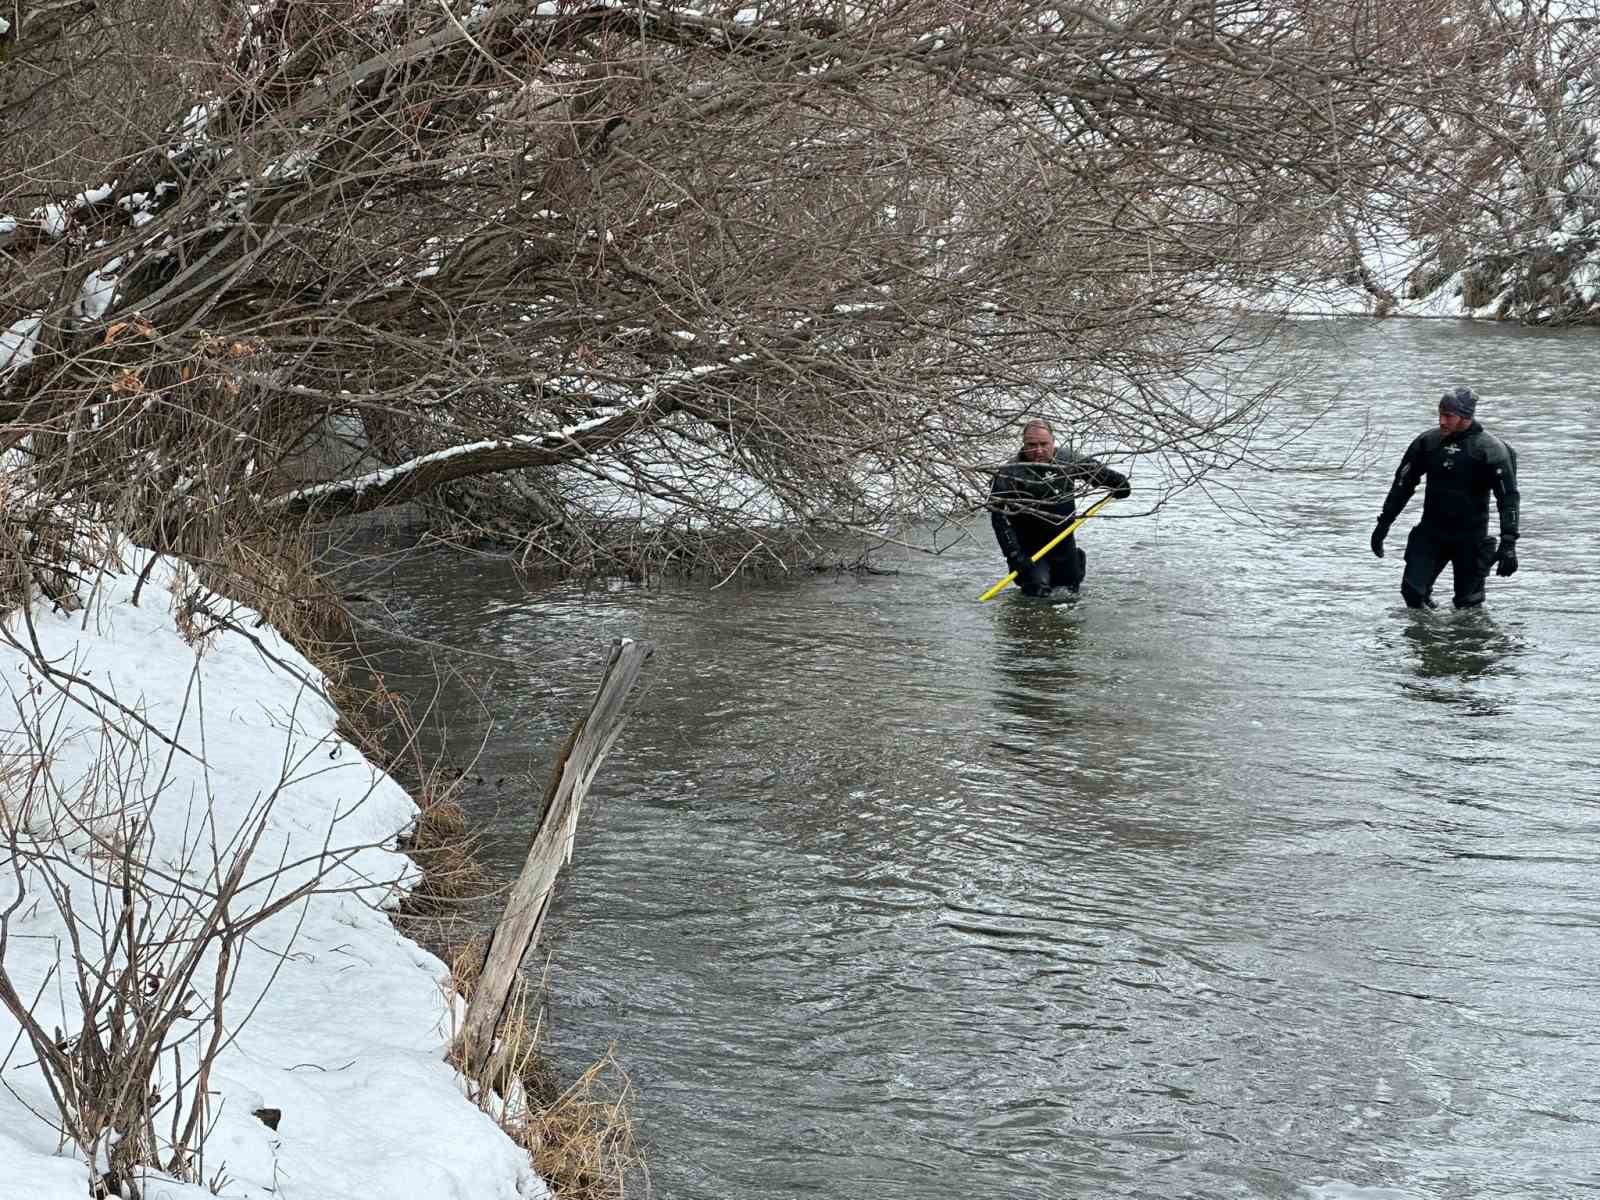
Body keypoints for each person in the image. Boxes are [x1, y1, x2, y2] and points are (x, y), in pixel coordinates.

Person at [1370, 385, 1520, 609]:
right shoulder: (1428, 443)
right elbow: (1402, 486)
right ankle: (1427, 636)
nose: (1441, 421)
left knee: (1468, 605)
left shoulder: (1492, 450)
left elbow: (1508, 499)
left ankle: (1461, 641)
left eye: (1448, 416)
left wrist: (1509, 544)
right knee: (1412, 594)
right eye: (1440, 414)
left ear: (1465, 416)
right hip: (1431, 533)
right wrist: (1383, 524)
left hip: (1471, 538)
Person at [989, 418, 1131, 596]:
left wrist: (1119, 483)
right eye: (1031, 444)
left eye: (1043, 444)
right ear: (1023, 444)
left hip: (1063, 544)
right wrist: (1015, 556)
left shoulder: (1068, 460)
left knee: (1068, 596)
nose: (1038, 450)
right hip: (1030, 550)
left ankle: (1077, 562)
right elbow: (998, 519)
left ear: (1053, 442)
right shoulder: (1008, 473)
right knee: (1037, 595)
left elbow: (1100, 474)